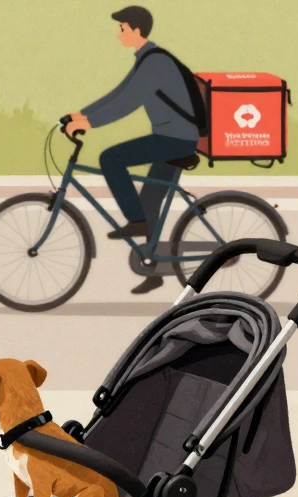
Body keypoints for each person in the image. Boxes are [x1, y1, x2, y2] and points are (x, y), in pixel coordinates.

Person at [65, 6, 199, 294]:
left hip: (176, 139)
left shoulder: (155, 63)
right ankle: (152, 266)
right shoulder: (146, 58)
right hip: (171, 136)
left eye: (122, 28)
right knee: (150, 197)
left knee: (110, 158)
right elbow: (118, 93)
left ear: (137, 31)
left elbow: (129, 102)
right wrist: (79, 113)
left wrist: (87, 123)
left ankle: (137, 223)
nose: (118, 34)